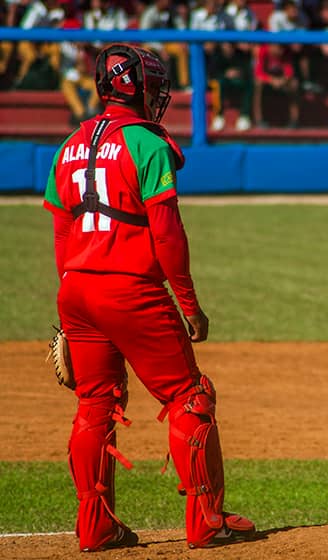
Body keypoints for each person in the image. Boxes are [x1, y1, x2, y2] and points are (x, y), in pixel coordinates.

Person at [42, 43, 256, 552]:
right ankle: (206, 521)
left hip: (76, 289)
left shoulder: (68, 144)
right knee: (189, 396)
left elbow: (60, 232)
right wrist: (189, 304)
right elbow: (167, 234)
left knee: (94, 404)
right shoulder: (148, 143)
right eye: (156, 86)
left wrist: (68, 303)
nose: (160, 95)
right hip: (130, 290)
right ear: (135, 88)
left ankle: (95, 527)